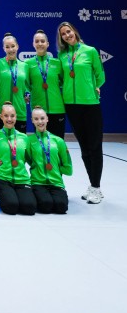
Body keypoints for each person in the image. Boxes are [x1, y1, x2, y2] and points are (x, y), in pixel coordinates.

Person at [57, 20, 105, 204]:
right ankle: (92, 185)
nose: (67, 35)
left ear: (74, 32)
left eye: (68, 31)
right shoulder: (62, 56)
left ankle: (97, 187)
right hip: (71, 105)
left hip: (90, 104)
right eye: (63, 34)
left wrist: (93, 87)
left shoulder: (90, 51)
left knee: (95, 146)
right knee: (84, 147)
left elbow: (100, 75)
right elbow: (61, 79)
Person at [0, 102, 35, 216]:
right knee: (11, 207)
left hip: (22, 179)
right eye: (6, 116)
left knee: (30, 208)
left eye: (12, 116)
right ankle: (9, 200)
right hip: (3, 179)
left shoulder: (24, 137)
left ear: (16, 117)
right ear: (1, 116)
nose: (9, 119)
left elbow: (31, 160)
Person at [28, 106, 72, 214]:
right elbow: (27, 160)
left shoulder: (58, 141)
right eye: (36, 119)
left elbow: (68, 169)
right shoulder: (29, 140)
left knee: (61, 207)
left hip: (56, 183)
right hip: (38, 182)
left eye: (42, 118)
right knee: (45, 206)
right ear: (32, 120)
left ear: (47, 119)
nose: (40, 122)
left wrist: (55, 169)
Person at [25, 30, 66, 139]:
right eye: (37, 41)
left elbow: (64, 82)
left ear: (47, 44)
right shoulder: (27, 64)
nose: (40, 44)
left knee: (58, 142)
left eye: (42, 41)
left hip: (57, 108)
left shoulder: (57, 63)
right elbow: (25, 85)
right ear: (33, 44)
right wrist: (26, 94)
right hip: (38, 110)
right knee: (41, 143)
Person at [0, 34, 30, 133]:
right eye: (7, 47)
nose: (10, 49)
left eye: (13, 46)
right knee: (2, 141)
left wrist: (26, 94)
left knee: (19, 141)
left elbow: (27, 85)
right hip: (2, 111)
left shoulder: (24, 66)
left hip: (19, 111)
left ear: (17, 46)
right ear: (3, 48)